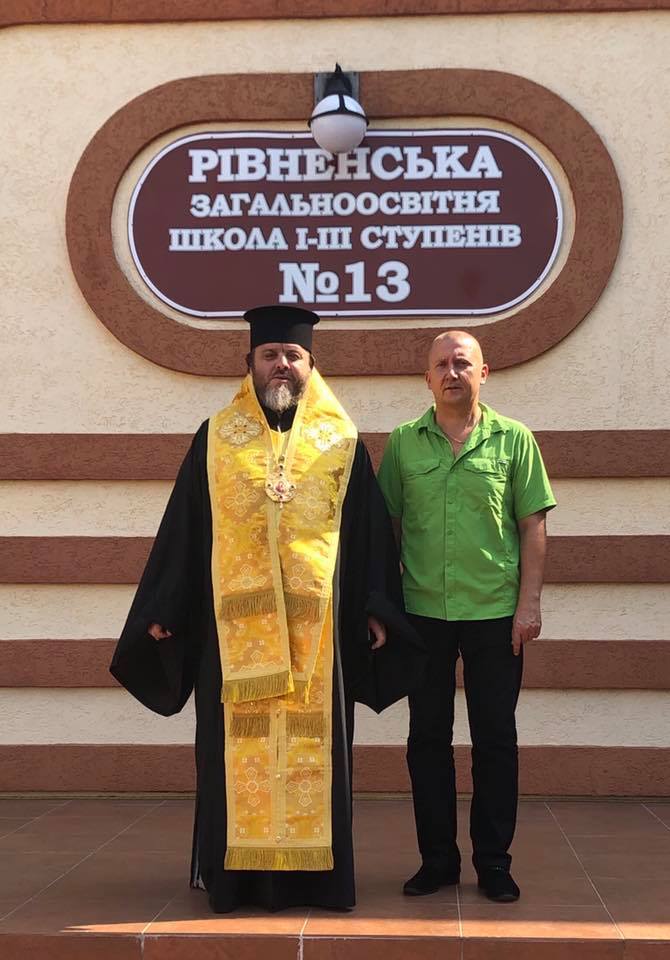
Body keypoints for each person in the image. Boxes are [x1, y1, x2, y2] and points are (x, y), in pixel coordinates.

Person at [111, 305, 424, 914]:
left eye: (293, 355)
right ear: (249, 363)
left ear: (311, 364)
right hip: (233, 639)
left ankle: (318, 881)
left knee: (315, 750)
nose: (282, 365)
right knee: (233, 753)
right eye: (270, 355)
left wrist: (376, 607)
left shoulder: (341, 443)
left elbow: (366, 535)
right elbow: (187, 529)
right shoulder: (215, 439)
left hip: (319, 637)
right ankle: (237, 882)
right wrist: (167, 604)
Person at [377, 330, 556, 903]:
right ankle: (437, 861)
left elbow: (533, 526)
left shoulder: (515, 440)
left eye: (462, 363)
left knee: (495, 740)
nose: (452, 373)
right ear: (427, 378)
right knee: (427, 739)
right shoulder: (403, 444)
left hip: (495, 614)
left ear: (484, 373)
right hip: (422, 613)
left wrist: (529, 604)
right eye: (441, 365)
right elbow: (388, 529)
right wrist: (384, 608)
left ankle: (494, 863)